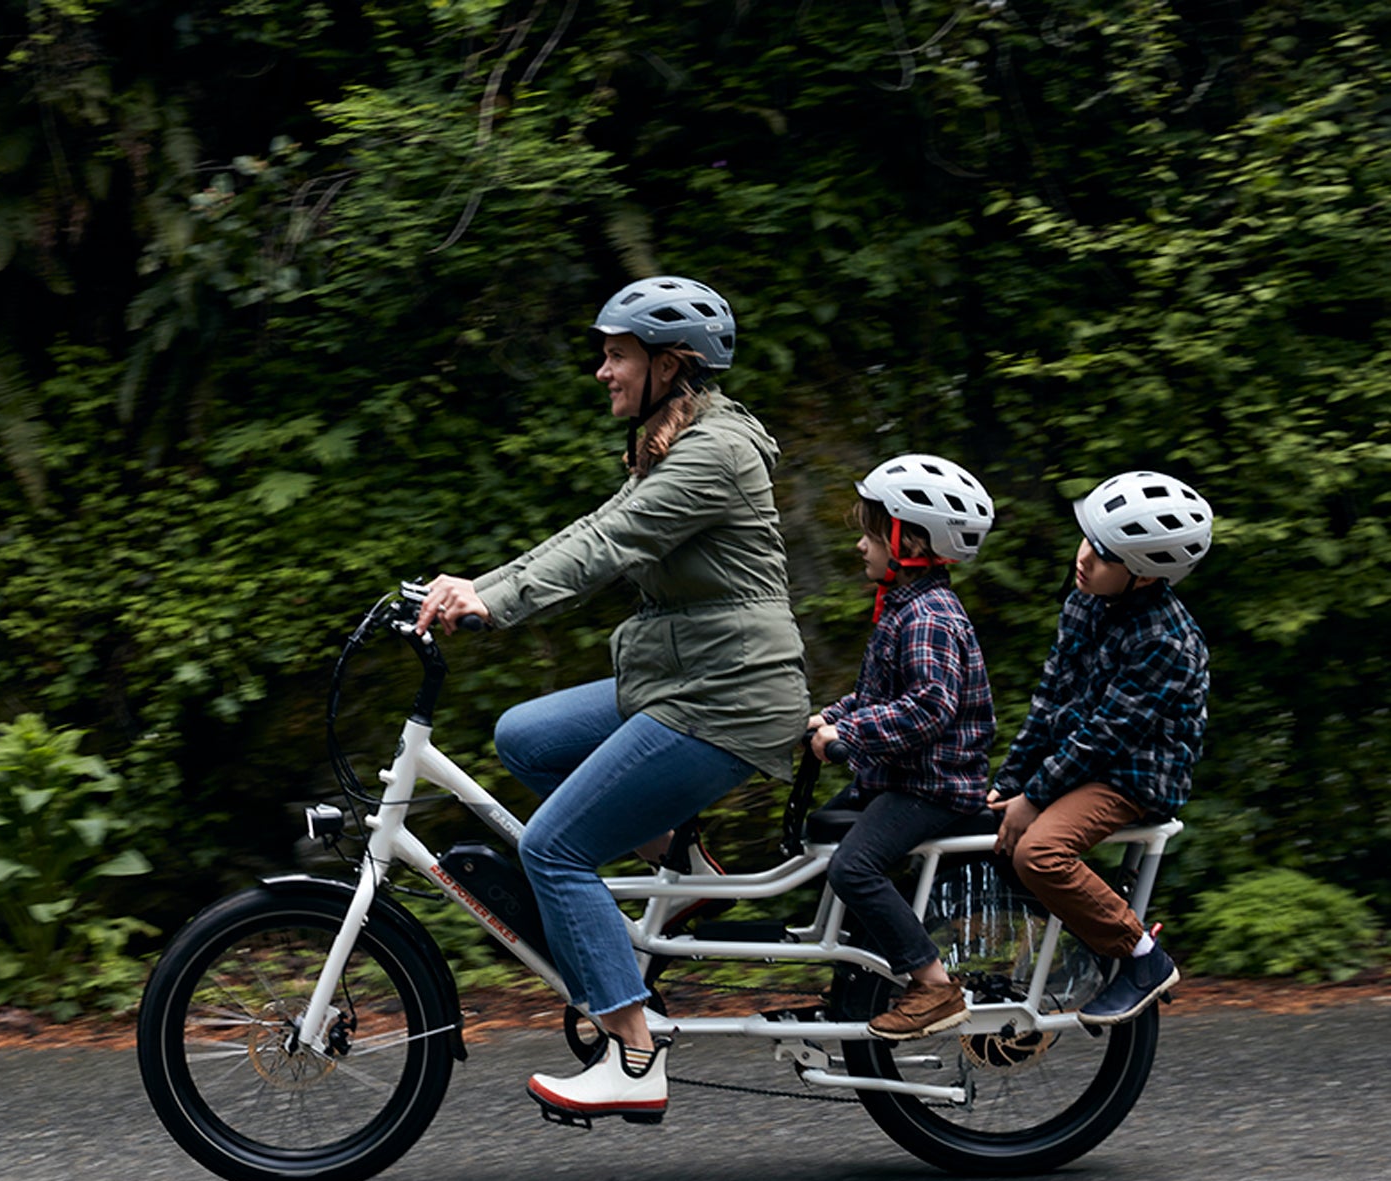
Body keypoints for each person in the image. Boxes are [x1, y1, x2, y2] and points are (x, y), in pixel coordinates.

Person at [414, 274, 809, 1123]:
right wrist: (473, 585)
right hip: (680, 678)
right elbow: (590, 527)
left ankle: (633, 1049)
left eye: (617, 354)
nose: (603, 370)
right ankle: (685, 869)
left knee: (554, 849)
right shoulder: (672, 438)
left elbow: (612, 542)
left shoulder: (718, 452)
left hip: (728, 697)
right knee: (525, 735)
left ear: (673, 366)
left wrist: (496, 602)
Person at [987, 470, 1213, 1025]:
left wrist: (1035, 797)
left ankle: (1144, 959)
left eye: (1105, 555)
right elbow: (1049, 702)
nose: (1085, 558)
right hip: (1079, 761)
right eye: (1088, 538)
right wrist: (1009, 783)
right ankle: (1071, 939)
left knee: (1039, 852)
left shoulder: (1166, 640)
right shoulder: (1085, 602)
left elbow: (1105, 737)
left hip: (1133, 776)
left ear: (1143, 576)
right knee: (986, 820)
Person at [809, 454, 996, 1039]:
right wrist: (827, 717)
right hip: (903, 779)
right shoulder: (905, 607)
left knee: (854, 867)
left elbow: (928, 707)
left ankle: (933, 986)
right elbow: (879, 694)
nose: (861, 546)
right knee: (820, 830)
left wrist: (849, 734)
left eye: (870, 533)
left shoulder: (930, 616)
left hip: (933, 786)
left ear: (909, 540)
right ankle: (862, 972)